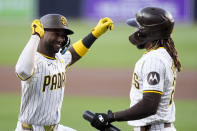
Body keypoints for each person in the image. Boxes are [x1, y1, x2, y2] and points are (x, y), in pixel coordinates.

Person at [88, 7, 181, 131]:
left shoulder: (154, 59)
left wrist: (111, 117)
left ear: (148, 31)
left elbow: (149, 105)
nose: (134, 30)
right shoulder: (163, 55)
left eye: (138, 27)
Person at [15, 14, 113, 131]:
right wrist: (35, 36)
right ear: (42, 33)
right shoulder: (33, 61)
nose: (61, 39)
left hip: (55, 128)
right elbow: (22, 70)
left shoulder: (59, 58)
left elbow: (74, 53)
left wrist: (95, 34)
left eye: (63, 36)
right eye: (56, 34)